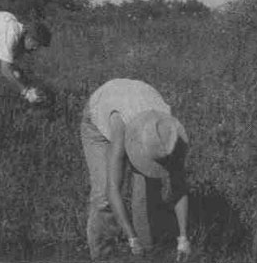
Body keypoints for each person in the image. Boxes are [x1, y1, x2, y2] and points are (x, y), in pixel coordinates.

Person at [80, 78, 191, 261]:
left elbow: (180, 187)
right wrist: (132, 238)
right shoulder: (121, 128)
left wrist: (184, 238)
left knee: (146, 195)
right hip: (99, 117)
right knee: (102, 196)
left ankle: (146, 254)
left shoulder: (167, 133)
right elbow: (113, 189)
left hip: (137, 104)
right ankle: (103, 256)